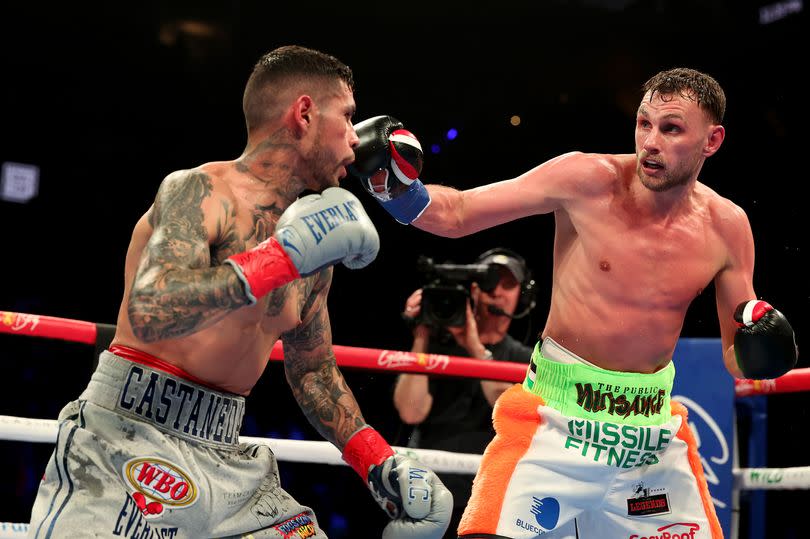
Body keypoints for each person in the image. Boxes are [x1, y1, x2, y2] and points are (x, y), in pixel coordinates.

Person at [349, 68, 798, 538]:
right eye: (644, 123)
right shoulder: (588, 179)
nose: (650, 141)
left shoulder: (728, 226)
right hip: (556, 421)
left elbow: (737, 355)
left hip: (649, 437)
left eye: (671, 129)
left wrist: (763, 354)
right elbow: (459, 213)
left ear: (712, 141)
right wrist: (393, 189)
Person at [27, 45, 451, 539]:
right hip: (127, 437)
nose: (355, 143)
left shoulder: (313, 237)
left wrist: (377, 461)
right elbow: (151, 307)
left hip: (228, 460)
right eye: (348, 116)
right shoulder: (198, 190)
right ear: (305, 112)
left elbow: (312, 369)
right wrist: (280, 259)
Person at [394, 247, 535, 538]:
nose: (497, 291)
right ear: (473, 291)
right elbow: (410, 410)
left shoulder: (526, 357)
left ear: (521, 294)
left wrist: (473, 347)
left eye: (508, 284)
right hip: (429, 491)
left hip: (489, 497)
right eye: (488, 282)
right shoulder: (437, 347)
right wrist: (422, 335)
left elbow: (505, 405)